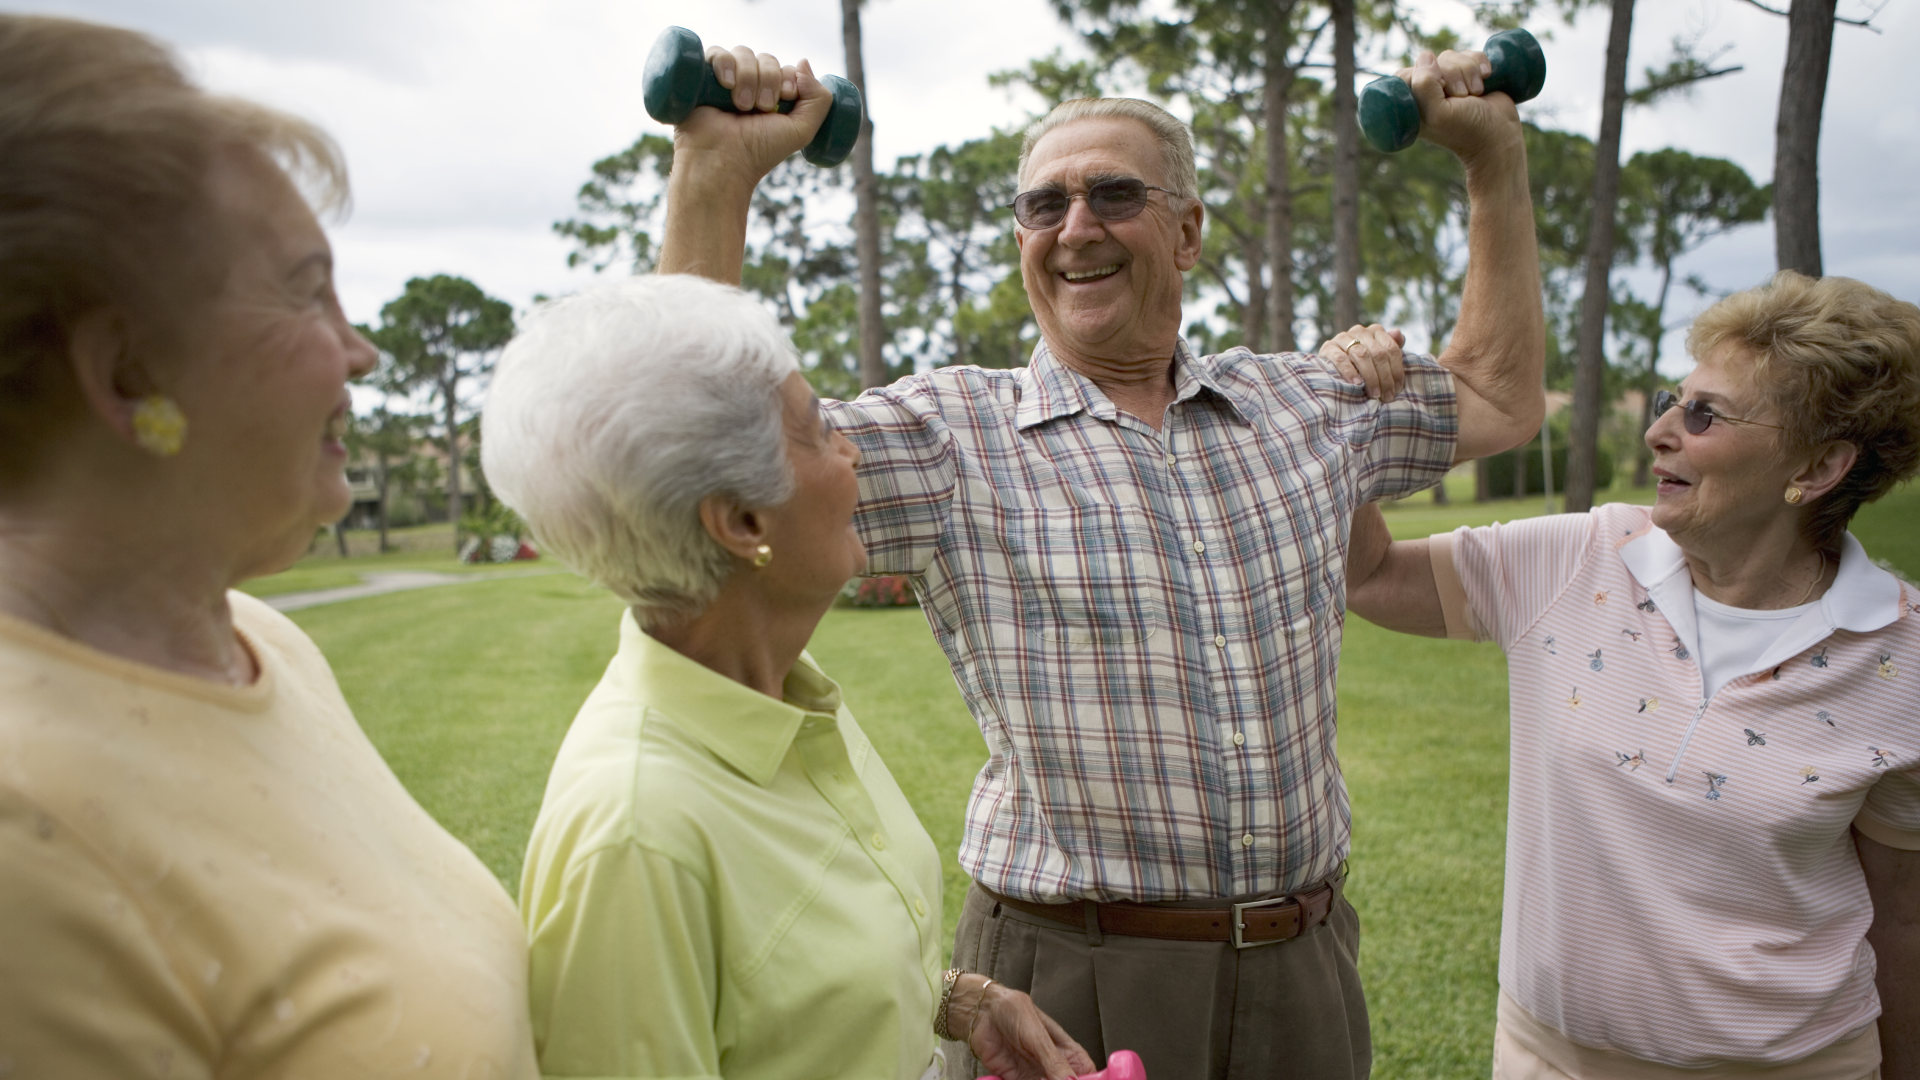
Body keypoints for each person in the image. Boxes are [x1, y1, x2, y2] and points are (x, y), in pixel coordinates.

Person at [656, 42, 1544, 1080]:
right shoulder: (957, 437)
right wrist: (714, 176)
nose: (1076, 228)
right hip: (1063, 979)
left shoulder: (1303, 408)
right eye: (1044, 207)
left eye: (1113, 195)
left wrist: (1493, 161)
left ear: (1189, 230)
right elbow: (709, 456)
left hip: (1303, 970)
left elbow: (1497, 396)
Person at [0, 15, 538, 1077]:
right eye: (305, 289)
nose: (363, 350)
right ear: (130, 374)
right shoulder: (27, 836)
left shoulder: (261, 643)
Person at [485, 274, 1094, 1080]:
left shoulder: (781, 695)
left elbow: (777, 992)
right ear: (742, 523)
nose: (851, 453)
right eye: (816, 432)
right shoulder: (637, 834)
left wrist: (961, 1000)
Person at [1344, 271, 1920, 1080]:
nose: (1659, 432)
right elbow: (1367, 577)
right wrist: (1350, 412)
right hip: (1548, 1060)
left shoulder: (1902, 656)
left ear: (1820, 465)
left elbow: (1904, 919)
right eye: (1670, 399)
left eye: (1705, 414)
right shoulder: (1584, 557)